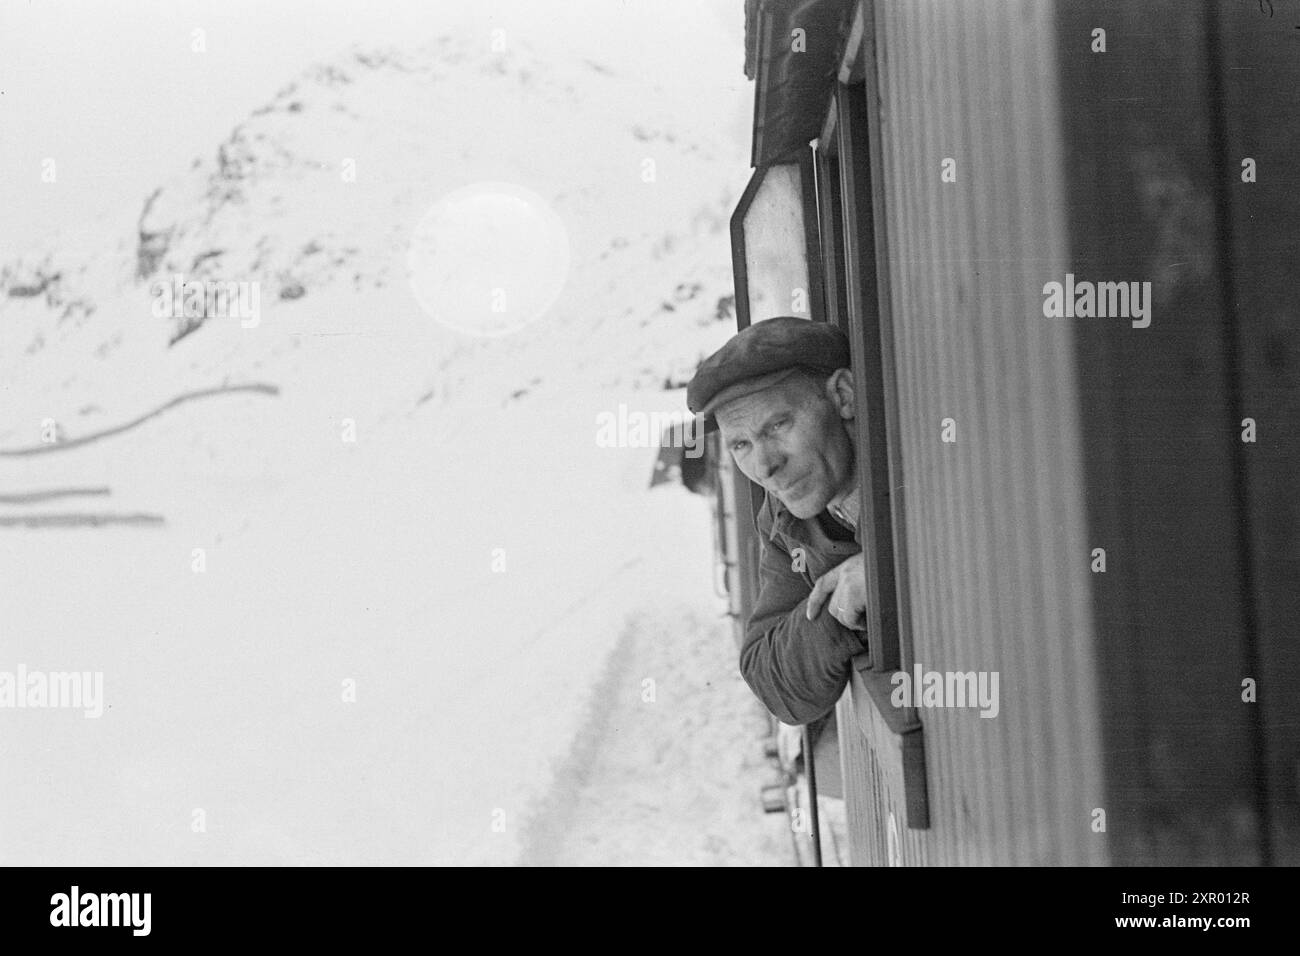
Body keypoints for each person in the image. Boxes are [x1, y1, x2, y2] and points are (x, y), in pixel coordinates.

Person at [687, 316, 869, 804]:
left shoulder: (916, 463)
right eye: (742, 445)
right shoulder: (784, 521)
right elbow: (772, 681)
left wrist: (888, 574)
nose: (764, 466)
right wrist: (841, 611)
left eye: (778, 425)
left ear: (844, 396)